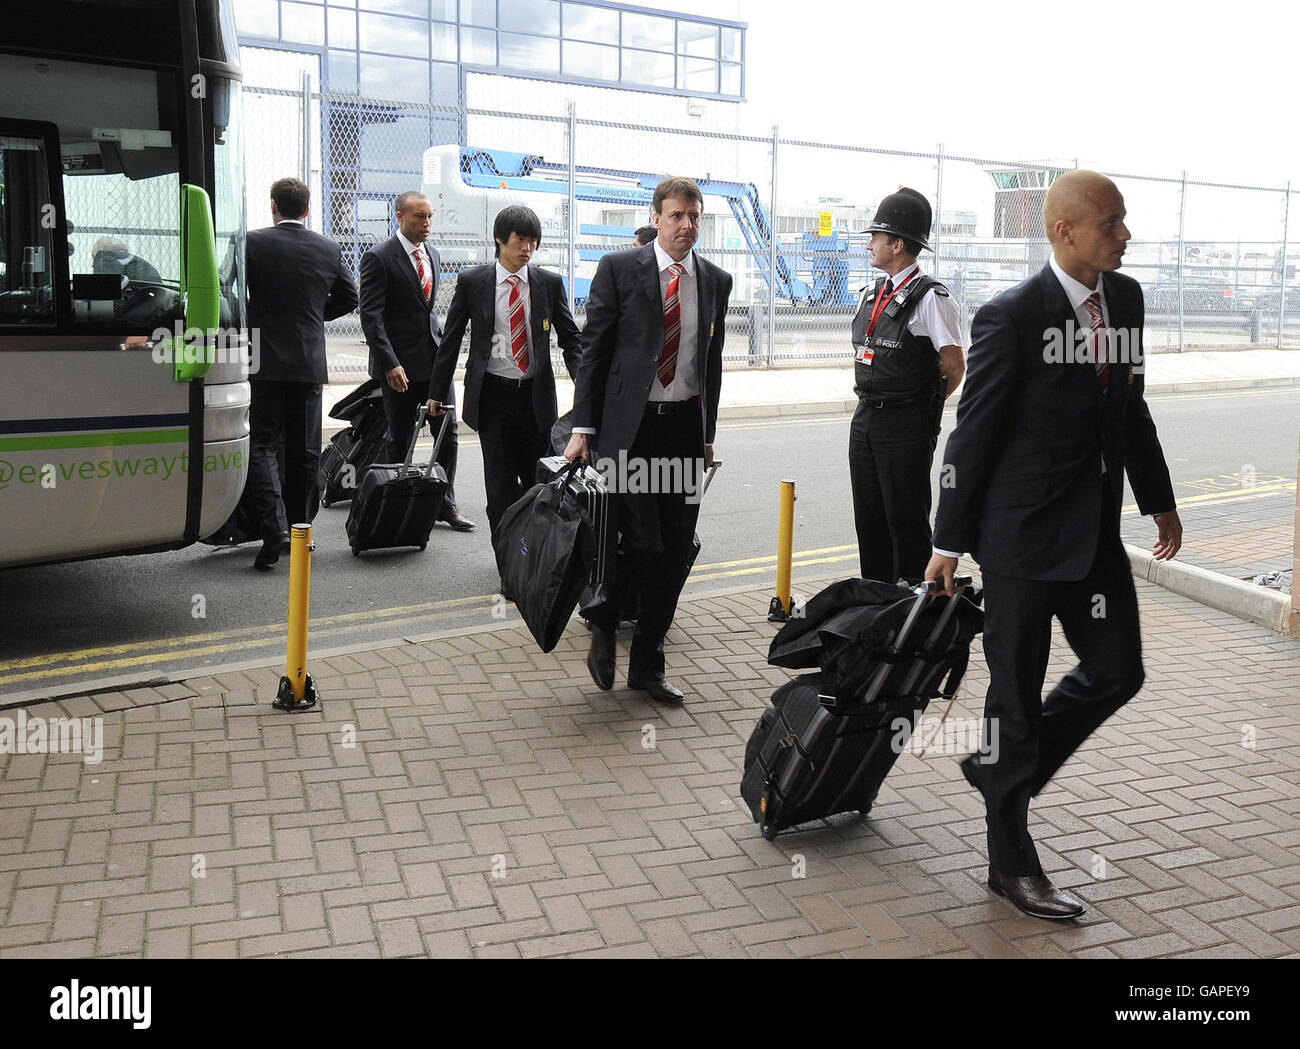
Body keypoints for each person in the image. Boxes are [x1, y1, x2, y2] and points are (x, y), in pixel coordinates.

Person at [926, 170, 1183, 920]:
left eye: (1125, 221)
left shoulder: (1125, 299)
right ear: (1066, 232)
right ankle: (1011, 862)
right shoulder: (1013, 316)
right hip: (1019, 539)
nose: (1125, 235)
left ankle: (1005, 769)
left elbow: (1130, 410)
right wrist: (948, 539)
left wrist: (1158, 499)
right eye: (1111, 223)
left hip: (1093, 531)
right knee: (1012, 701)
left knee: (1118, 669)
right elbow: (971, 432)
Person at [565, 177, 732, 704]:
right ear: (657, 218)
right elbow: (594, 351)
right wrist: (583, 429)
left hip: (682, 429)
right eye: (677, 215)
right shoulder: (619, 270)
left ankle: (648, 666)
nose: (687, 225)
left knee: (675, 549)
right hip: (630, 432)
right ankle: (604, 618)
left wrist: (705, 436)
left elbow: (711, 365)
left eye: (695, 216)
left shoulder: (715, 281)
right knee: (641, 542)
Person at [427, 205, 581, 548]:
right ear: (500, 239)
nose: (527, 248)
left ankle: (532, 558)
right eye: (520, 240)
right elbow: (450, 340)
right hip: (493, 399)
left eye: (533, 241)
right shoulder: (473, 282)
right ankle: (508, 562)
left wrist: (584, 385)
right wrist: (437, 392)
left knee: (537, 484)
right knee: (499, 489)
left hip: (534, 399)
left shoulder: (549, 284)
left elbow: (571, 339)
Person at [848, 187, 964, 584]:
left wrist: (923, 409)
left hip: (904, 425)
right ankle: (876, 606)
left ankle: (916, 615)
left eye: (876, 237)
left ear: (897, 244)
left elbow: (954, 365)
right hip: (865, 419)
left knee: (906, 523)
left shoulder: (932, 298)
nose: (869, 245)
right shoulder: (873, 292)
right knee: (870, 521)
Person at [244, 177, 358, 570]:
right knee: (305, 450)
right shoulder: (328, 247)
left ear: (273, 205)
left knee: (261, 445)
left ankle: (272, 528)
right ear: (307, 210)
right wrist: (313, 316)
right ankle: (300, 531)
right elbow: (350, 295)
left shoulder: (251, 243)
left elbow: (232, 291)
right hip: (308, 362)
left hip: (263, 360)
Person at [359, 191, 473, 531]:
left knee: (447, 434)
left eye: (430, 217)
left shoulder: (433, 254)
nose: (426, 224)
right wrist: (390, 363)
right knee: (400, 437)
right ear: (399, 216)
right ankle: (397, 505)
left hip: (433, 362)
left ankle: (444, 503)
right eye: (419, 217)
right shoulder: (379, 257)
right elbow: (371, 316)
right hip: (399, 368)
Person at [91, 236, 163, 287]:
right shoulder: (141, 265)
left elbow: (103, 290)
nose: (92, 264)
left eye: (94, 258)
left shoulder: (105, 258)